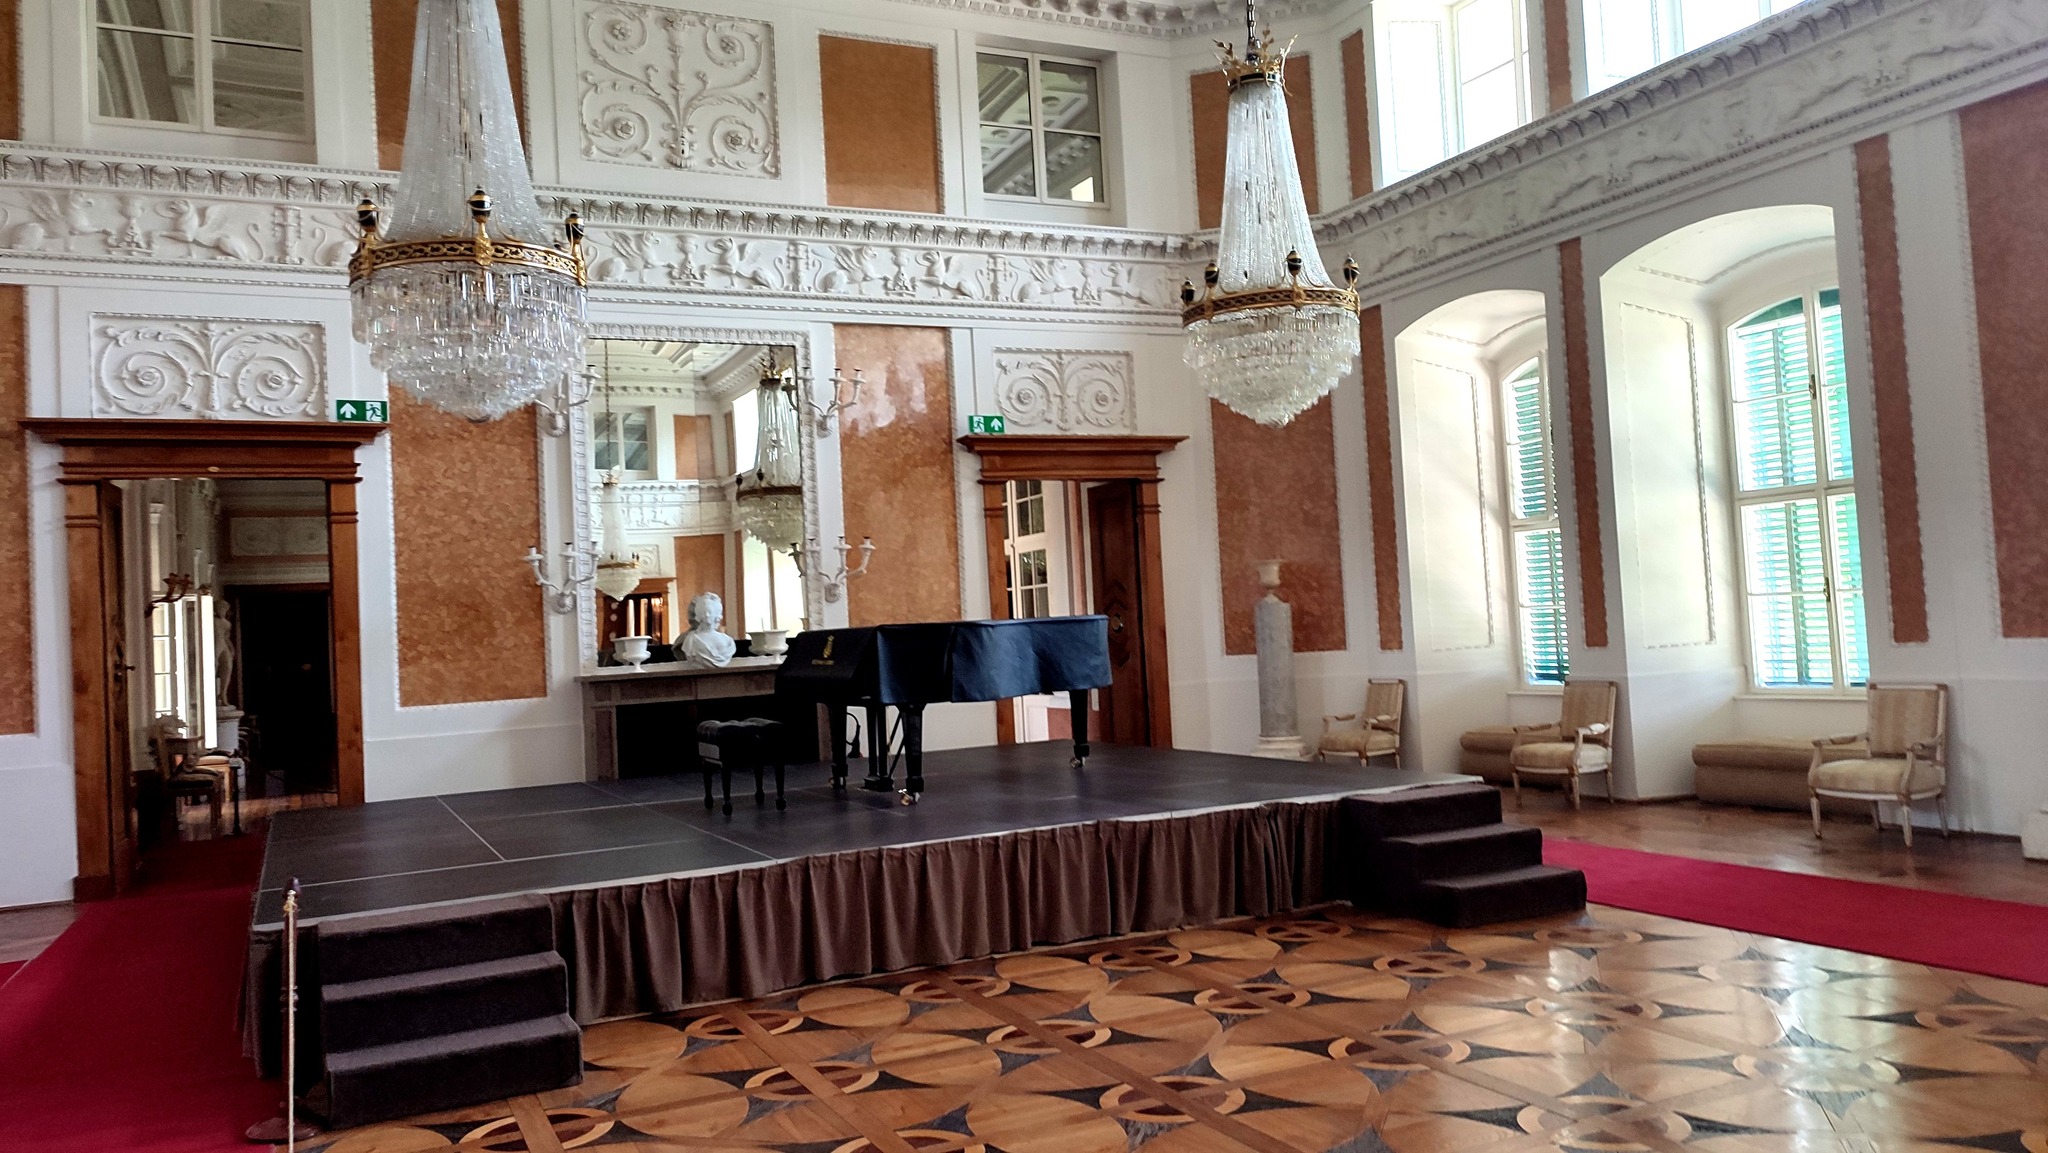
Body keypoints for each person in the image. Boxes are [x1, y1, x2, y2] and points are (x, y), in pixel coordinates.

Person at [676, 591, 736, 668]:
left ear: (717, 614)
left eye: (710, 612)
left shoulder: (727, 641)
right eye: (703, 612)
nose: (707, 615)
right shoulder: (691, 640)